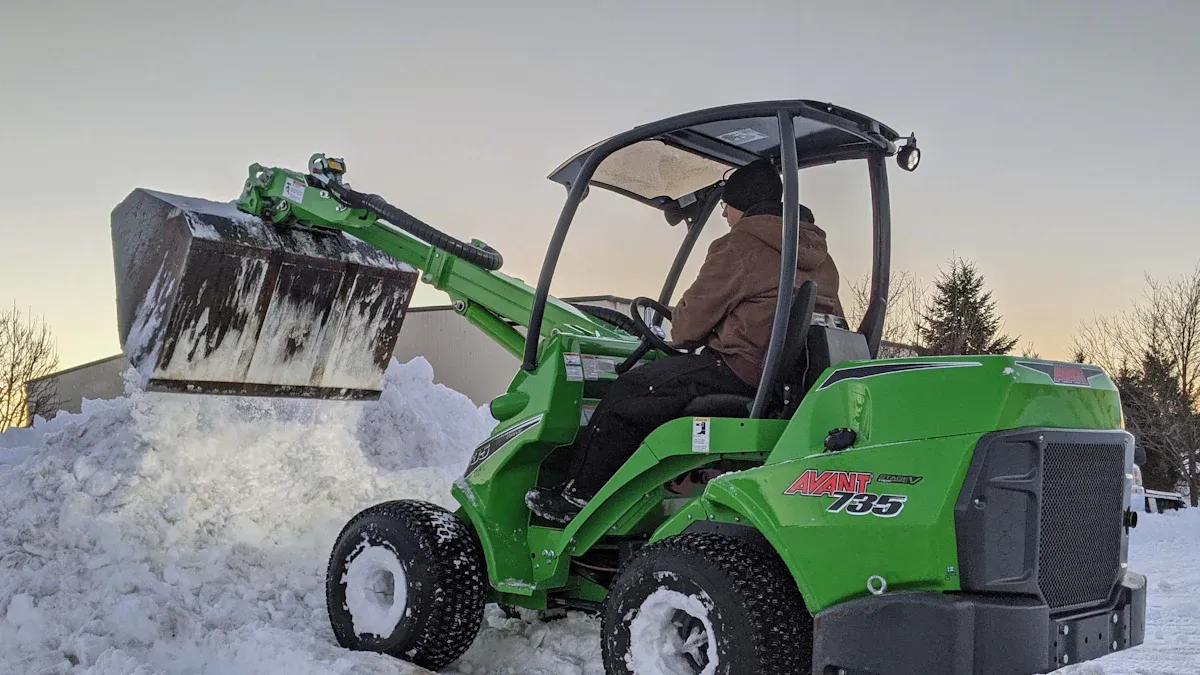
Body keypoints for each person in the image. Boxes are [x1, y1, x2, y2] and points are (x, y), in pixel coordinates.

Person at [525, 159, 844, 524]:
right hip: (791, 383)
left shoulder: (741, 244)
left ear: (742, 204)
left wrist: (687, 321)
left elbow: (686, 329)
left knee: (627, 394)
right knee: (659, 387)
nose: (724, 214)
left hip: (739, 371)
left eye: (726, 205)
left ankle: (577, 496)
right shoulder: (820, 256)